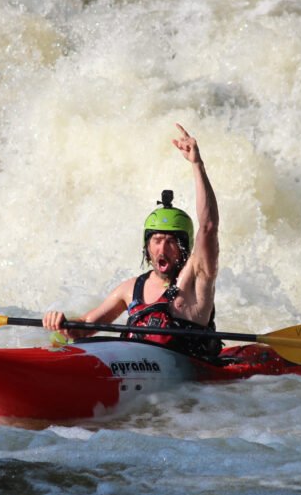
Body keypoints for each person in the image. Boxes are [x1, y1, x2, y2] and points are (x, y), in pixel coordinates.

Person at [42, 123, 221, 358]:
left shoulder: (196, 280)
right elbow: (86, 325)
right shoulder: (130, 289)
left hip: (187, 380)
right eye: (156, 240)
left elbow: (208, 227)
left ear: (184, 248)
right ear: (147, 246)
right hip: (137, 375)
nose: (162, 248)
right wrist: (64, 325)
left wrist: (197, 165)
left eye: (170, 242)